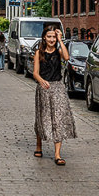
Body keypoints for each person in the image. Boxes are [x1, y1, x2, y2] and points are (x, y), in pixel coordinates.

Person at [32, 25, 76, 164]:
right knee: (43, 117)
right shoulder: (39, 53)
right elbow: (35, 73)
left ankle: (57, 154)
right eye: (49, 36)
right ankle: (39, 145)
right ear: (44, 37)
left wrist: (60, 40)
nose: (51, 39)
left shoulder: (58, 51)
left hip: (58, 87)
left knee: (58, 119)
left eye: (53, 37)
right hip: (44, 88)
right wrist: (41, 81)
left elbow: (67, 57)